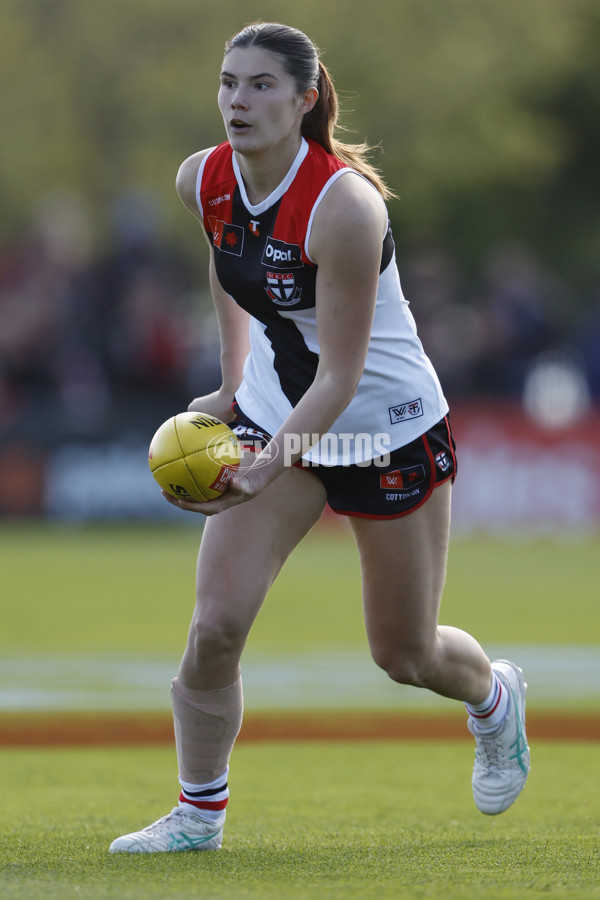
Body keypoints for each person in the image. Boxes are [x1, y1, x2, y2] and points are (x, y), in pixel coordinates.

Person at [109, 22, 530, 854]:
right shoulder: (204, 178)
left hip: (384, 431)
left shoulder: (345, 207)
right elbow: (228, 266)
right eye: (229, 83)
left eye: (261, 85)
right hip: (277, 414)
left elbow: (338, 378)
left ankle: (495, 698)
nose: (238, 100)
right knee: (215, 627)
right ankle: (199, 816)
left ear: (305, 100)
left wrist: (266, 467)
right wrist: (233, 387)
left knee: (405, 654)